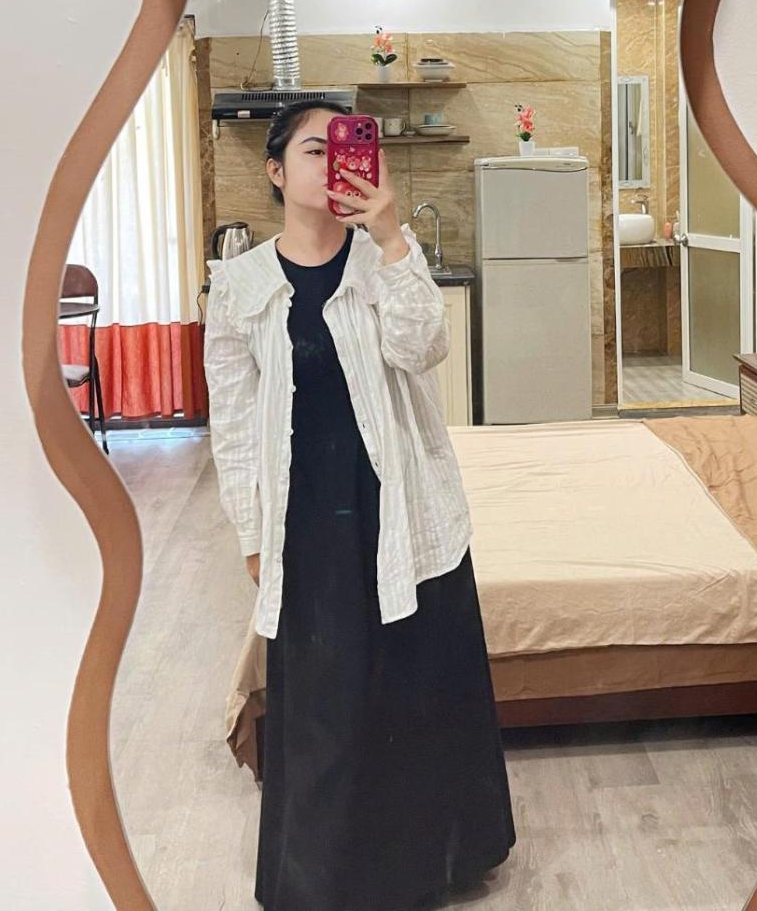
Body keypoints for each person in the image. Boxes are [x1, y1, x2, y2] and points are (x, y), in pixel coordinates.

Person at [203, 98, 515, 911]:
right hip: (307, 520)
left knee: (414, 690)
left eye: (345, 145)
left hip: (401, 507)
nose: (332, 161)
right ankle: (320, 879)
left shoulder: (385, 262)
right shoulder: (239, 287)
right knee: (323, 703)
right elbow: (233, 426)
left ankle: (430, 868)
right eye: (314, 149)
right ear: (275, 172)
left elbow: (423, 347)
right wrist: (251, 535)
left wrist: (390, 235)